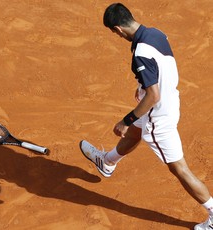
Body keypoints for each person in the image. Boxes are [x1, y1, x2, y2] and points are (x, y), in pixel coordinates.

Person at [79, 3, 213, 229]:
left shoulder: (140, 52)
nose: (117, 36)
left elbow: (154, 96)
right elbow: (162, 68)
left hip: (158, 115)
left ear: (118, 29)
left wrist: (126, 119)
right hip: (171, 100)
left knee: (179, 168)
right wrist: (143, 86)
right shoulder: (155, 33)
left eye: (114, 33)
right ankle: (108, 162)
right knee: (135, 133)